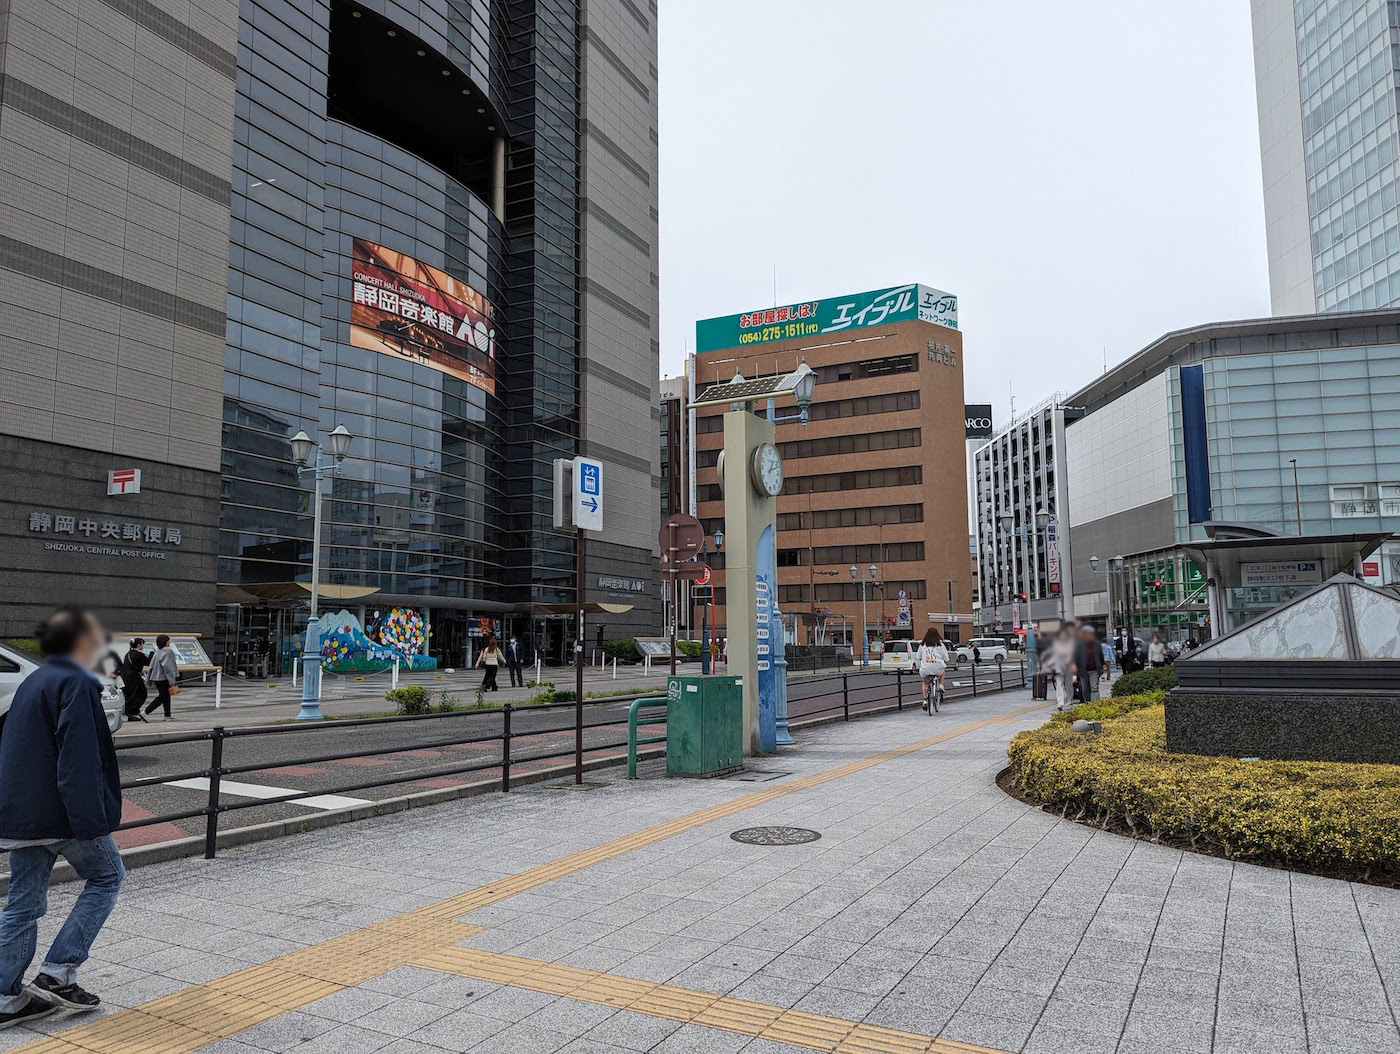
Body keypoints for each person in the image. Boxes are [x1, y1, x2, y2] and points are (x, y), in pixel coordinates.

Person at [0, 606, 124, 1030]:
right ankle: (59, 972)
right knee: (108, 876)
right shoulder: (76, 682)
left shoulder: (35, 680)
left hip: (21, 815)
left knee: (23, 904)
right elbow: (78, 762)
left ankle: (4, 997)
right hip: (61, 813)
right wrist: (91, 823)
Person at [143, 635, 180, 720]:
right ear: (166, 642)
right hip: (163, 677)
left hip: (156, 677)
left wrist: (149, 679)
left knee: (166, 696)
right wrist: (172, 680)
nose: (169, 642)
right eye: (168, 641)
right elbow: (168, 667)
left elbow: (152, 665)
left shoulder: (158, 651)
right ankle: (146, 712)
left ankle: (167, 715)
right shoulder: (168, 651)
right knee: (163, 697)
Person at [916, 628, 948, 711]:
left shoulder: (923, 645)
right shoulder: (940, 645)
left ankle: (925, 700)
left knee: (925, 682)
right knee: (942, 670)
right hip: (938, 667)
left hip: (926, 668)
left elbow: (918, 657)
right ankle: (941, 685)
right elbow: (946, 658)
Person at [119, 639, 149, 722]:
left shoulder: (128, 654)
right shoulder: (138, 655)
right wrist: (152, 654)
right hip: (134, 676)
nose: (143, 646)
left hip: (126, 676)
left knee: (131, 694)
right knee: (141, 693)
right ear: (139, 645)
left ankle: (133, 712)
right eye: (142, 644)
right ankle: (132, 712)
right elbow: (148, 662)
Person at [1049, 626, 1076, 712]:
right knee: (1059, 685)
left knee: (1069, 685)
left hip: (1068, 666)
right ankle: (1060, 703)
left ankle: (1069, 702)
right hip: (1058, 667)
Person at [1075, 626, 1103, 702]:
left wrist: (1102, 667)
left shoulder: (1097, 644)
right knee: (1085, 689)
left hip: (1094, 670)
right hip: (1083, 670)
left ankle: (1095, 704)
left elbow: (1101, 656)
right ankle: (1088, 703)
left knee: (1094, 688)